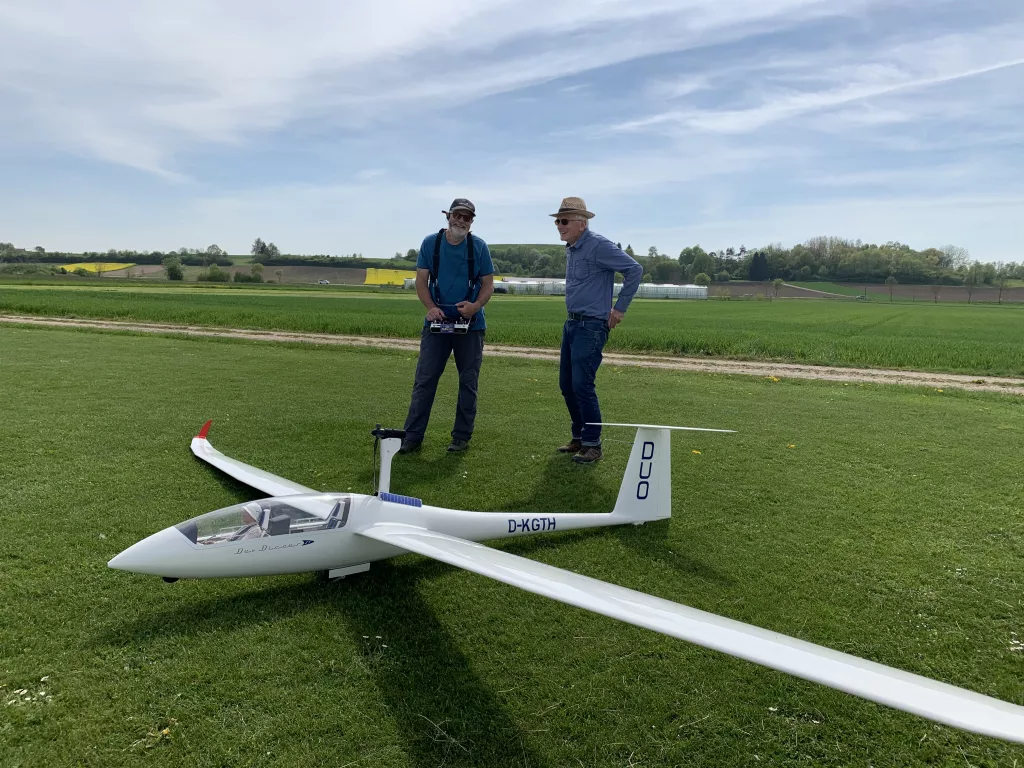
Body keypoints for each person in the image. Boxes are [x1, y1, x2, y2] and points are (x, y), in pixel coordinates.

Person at [551, 197, 643, 463]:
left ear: (582, 223)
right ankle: (579, 438)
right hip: (572, 323)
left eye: (564, 221)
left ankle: (593, 445)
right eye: (558, 220)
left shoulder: (598, 245)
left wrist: (620, 308)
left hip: (591, 326)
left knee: (582, 384)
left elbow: (634, 270)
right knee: (567, 385)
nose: (559, 225)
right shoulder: (573, 248)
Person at [400, 198, 495, 454]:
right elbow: (421, 281)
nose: (461, 221)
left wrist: (475, 307)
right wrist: (431, 308)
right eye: (457, 215)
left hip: (471, 324)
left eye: (467, 217)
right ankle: (412, 436)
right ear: (448, 216)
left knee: (468, 381)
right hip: (437, 322)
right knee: (425, 379)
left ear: (472, 221)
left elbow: (488, 283)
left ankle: (461, 436)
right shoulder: (431, 243)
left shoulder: (479, 247)